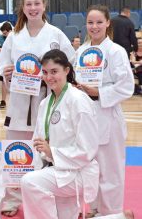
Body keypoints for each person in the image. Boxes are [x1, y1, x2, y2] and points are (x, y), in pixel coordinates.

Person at [0, 0, 75, 216]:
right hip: (20, 102)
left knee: (43, 150)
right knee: (15, 150)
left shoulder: (56, 35)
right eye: (28, 4)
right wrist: (7, 73)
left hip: (47, 100)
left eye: (36, 3)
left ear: (44, 6)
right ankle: (12, 199)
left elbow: (71, 63)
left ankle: (43, 196)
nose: (32, 8)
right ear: (22, 7)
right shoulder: (14, 36)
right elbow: (2, 66)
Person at [20, 49, 99, 219]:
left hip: (78, 171)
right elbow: (37, 142)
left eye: (54, 71)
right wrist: (41, 159)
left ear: (67, 70)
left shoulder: (78, 100)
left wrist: (52, 152)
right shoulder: (45, 103)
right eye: (45, 72)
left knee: (29, 182)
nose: (49, 78)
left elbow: (88, 149)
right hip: (56, 170)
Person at [75, 4, 134, 217]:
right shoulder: (81, 52)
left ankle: (112, 213)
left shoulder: (116, 51)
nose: (94, 26)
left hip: (108, 114)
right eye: (90, 22)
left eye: (99, 22)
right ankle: (94, 209)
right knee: (90, 169)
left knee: (111, 171)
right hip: (86, 117)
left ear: (108, 23)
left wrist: (98, 92)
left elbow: (126, 86)